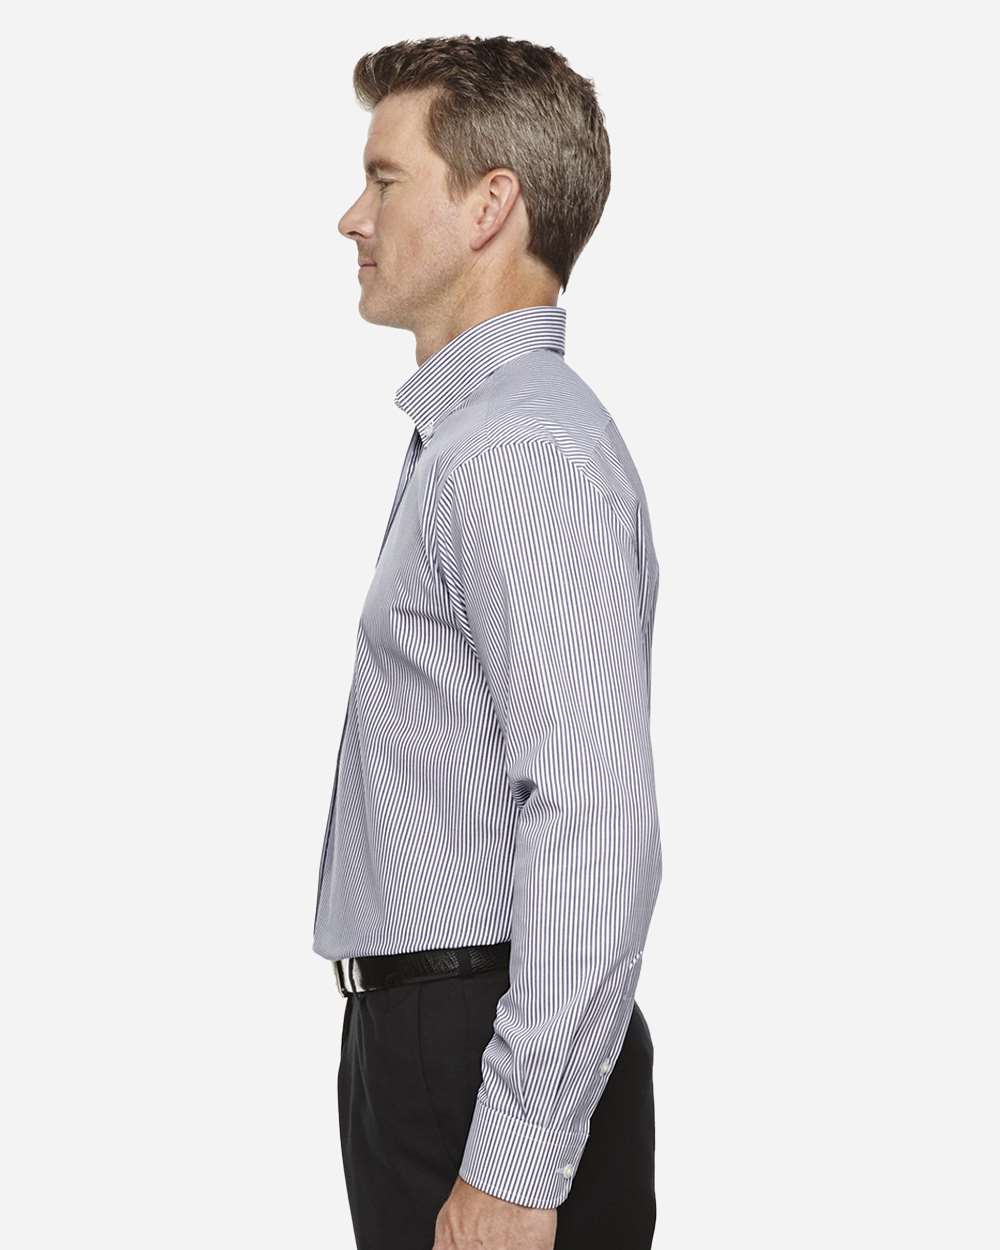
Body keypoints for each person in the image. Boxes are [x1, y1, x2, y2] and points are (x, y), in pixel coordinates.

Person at [313, 34, 662, 1250]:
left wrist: (515, 1158)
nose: (352, 216)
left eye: (385, 178)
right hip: (442, 1031)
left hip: (479, 1040)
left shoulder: (518, 451)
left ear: (489, 205)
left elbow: (592, 813)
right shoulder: (479, 438)